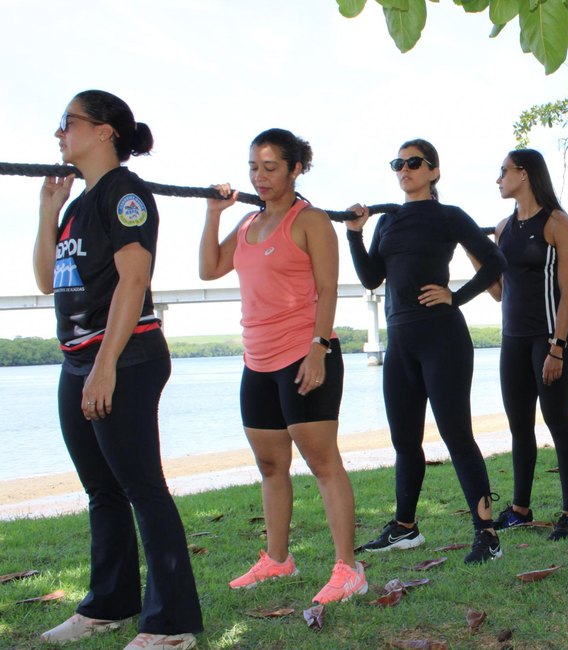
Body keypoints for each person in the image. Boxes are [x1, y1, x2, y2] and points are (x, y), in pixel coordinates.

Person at [34, 90, 202, 649]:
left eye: (68, 122)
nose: (59, 134)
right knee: (101, 489)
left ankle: (173, 624)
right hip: (77, 359)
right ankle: (110, 603)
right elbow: (46, 280)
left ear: (104, 131)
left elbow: (134, 282)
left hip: (125, 359)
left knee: (143, 488)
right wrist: (46, 213)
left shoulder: (125, 193)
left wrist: (106, 367)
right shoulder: (82, 203)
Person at [200, 128, 366, 604]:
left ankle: (349, 569)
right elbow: (209, 268)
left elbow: (330, 289)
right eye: (254, 166)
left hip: (304, 353)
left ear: (296, 169)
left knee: (322, 461)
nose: (260, 176)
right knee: (271, 464)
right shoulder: (248, 224)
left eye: (271, 167)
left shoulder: (309, 220)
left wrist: (318, 346)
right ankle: (277, 559)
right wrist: (213, 216)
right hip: (257, 359)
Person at [346, 139, 508, 564]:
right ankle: (405, 527)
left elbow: (494, 261)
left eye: (414, 162)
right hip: (400, 342)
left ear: (434, 171)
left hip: (443, 340)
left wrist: (456, 296)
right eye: (398, 163)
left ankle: (487, 533)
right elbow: (370, 279)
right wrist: (354, 235)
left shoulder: (448, 216)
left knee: (457, 437)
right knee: (405, 441)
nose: (405, 169)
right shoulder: (388, 221)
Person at [488, 148, 568, 541]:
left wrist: (557, 347)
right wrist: (476, 255)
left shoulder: (557, 223)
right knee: (519, 427)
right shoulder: (502, 228)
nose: (498, 179)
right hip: (512, 341)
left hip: (548, 339)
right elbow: (498, 293)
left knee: (558, 421)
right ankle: (520, 509)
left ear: (524, 174)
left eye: (503, 171)